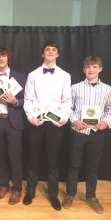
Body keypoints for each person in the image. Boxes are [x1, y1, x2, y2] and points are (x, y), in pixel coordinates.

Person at [23, 41, 72, 210]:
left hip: (55, 124)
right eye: (47, 50)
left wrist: (64, 117)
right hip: (36, 123)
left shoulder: (65, 76)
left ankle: (53, 194)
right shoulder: (33, 75)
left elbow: (67, 100)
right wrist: (30, 117)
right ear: (42, 54)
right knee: (33, 159)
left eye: (54, 50)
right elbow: (28, 99)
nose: (50, 52)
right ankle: (30, 191)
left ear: (57, 54)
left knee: (53, 161)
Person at [62, 56, 111, 214]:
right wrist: (74, 120)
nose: (91, 70)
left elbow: (110, 109)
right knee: (73, 164)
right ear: (84, 70)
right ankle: (70, 194)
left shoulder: (108, 89)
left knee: (93, 166)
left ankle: (91, 196)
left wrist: (106, 122)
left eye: (94, 67)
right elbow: (68, 107)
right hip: (78, 132)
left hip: (97, 132)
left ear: (100, 69)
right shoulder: (75, 87)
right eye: (88, 67)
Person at [0, 48, 26, 205]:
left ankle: (17, 188)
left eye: (3, 56)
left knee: (15, 157)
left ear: (8, 58)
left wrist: (15, 102)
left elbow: (26, 100)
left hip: (13, 122)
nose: (0, 59)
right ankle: (3, 186)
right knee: (0, 157)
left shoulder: (19, 76)